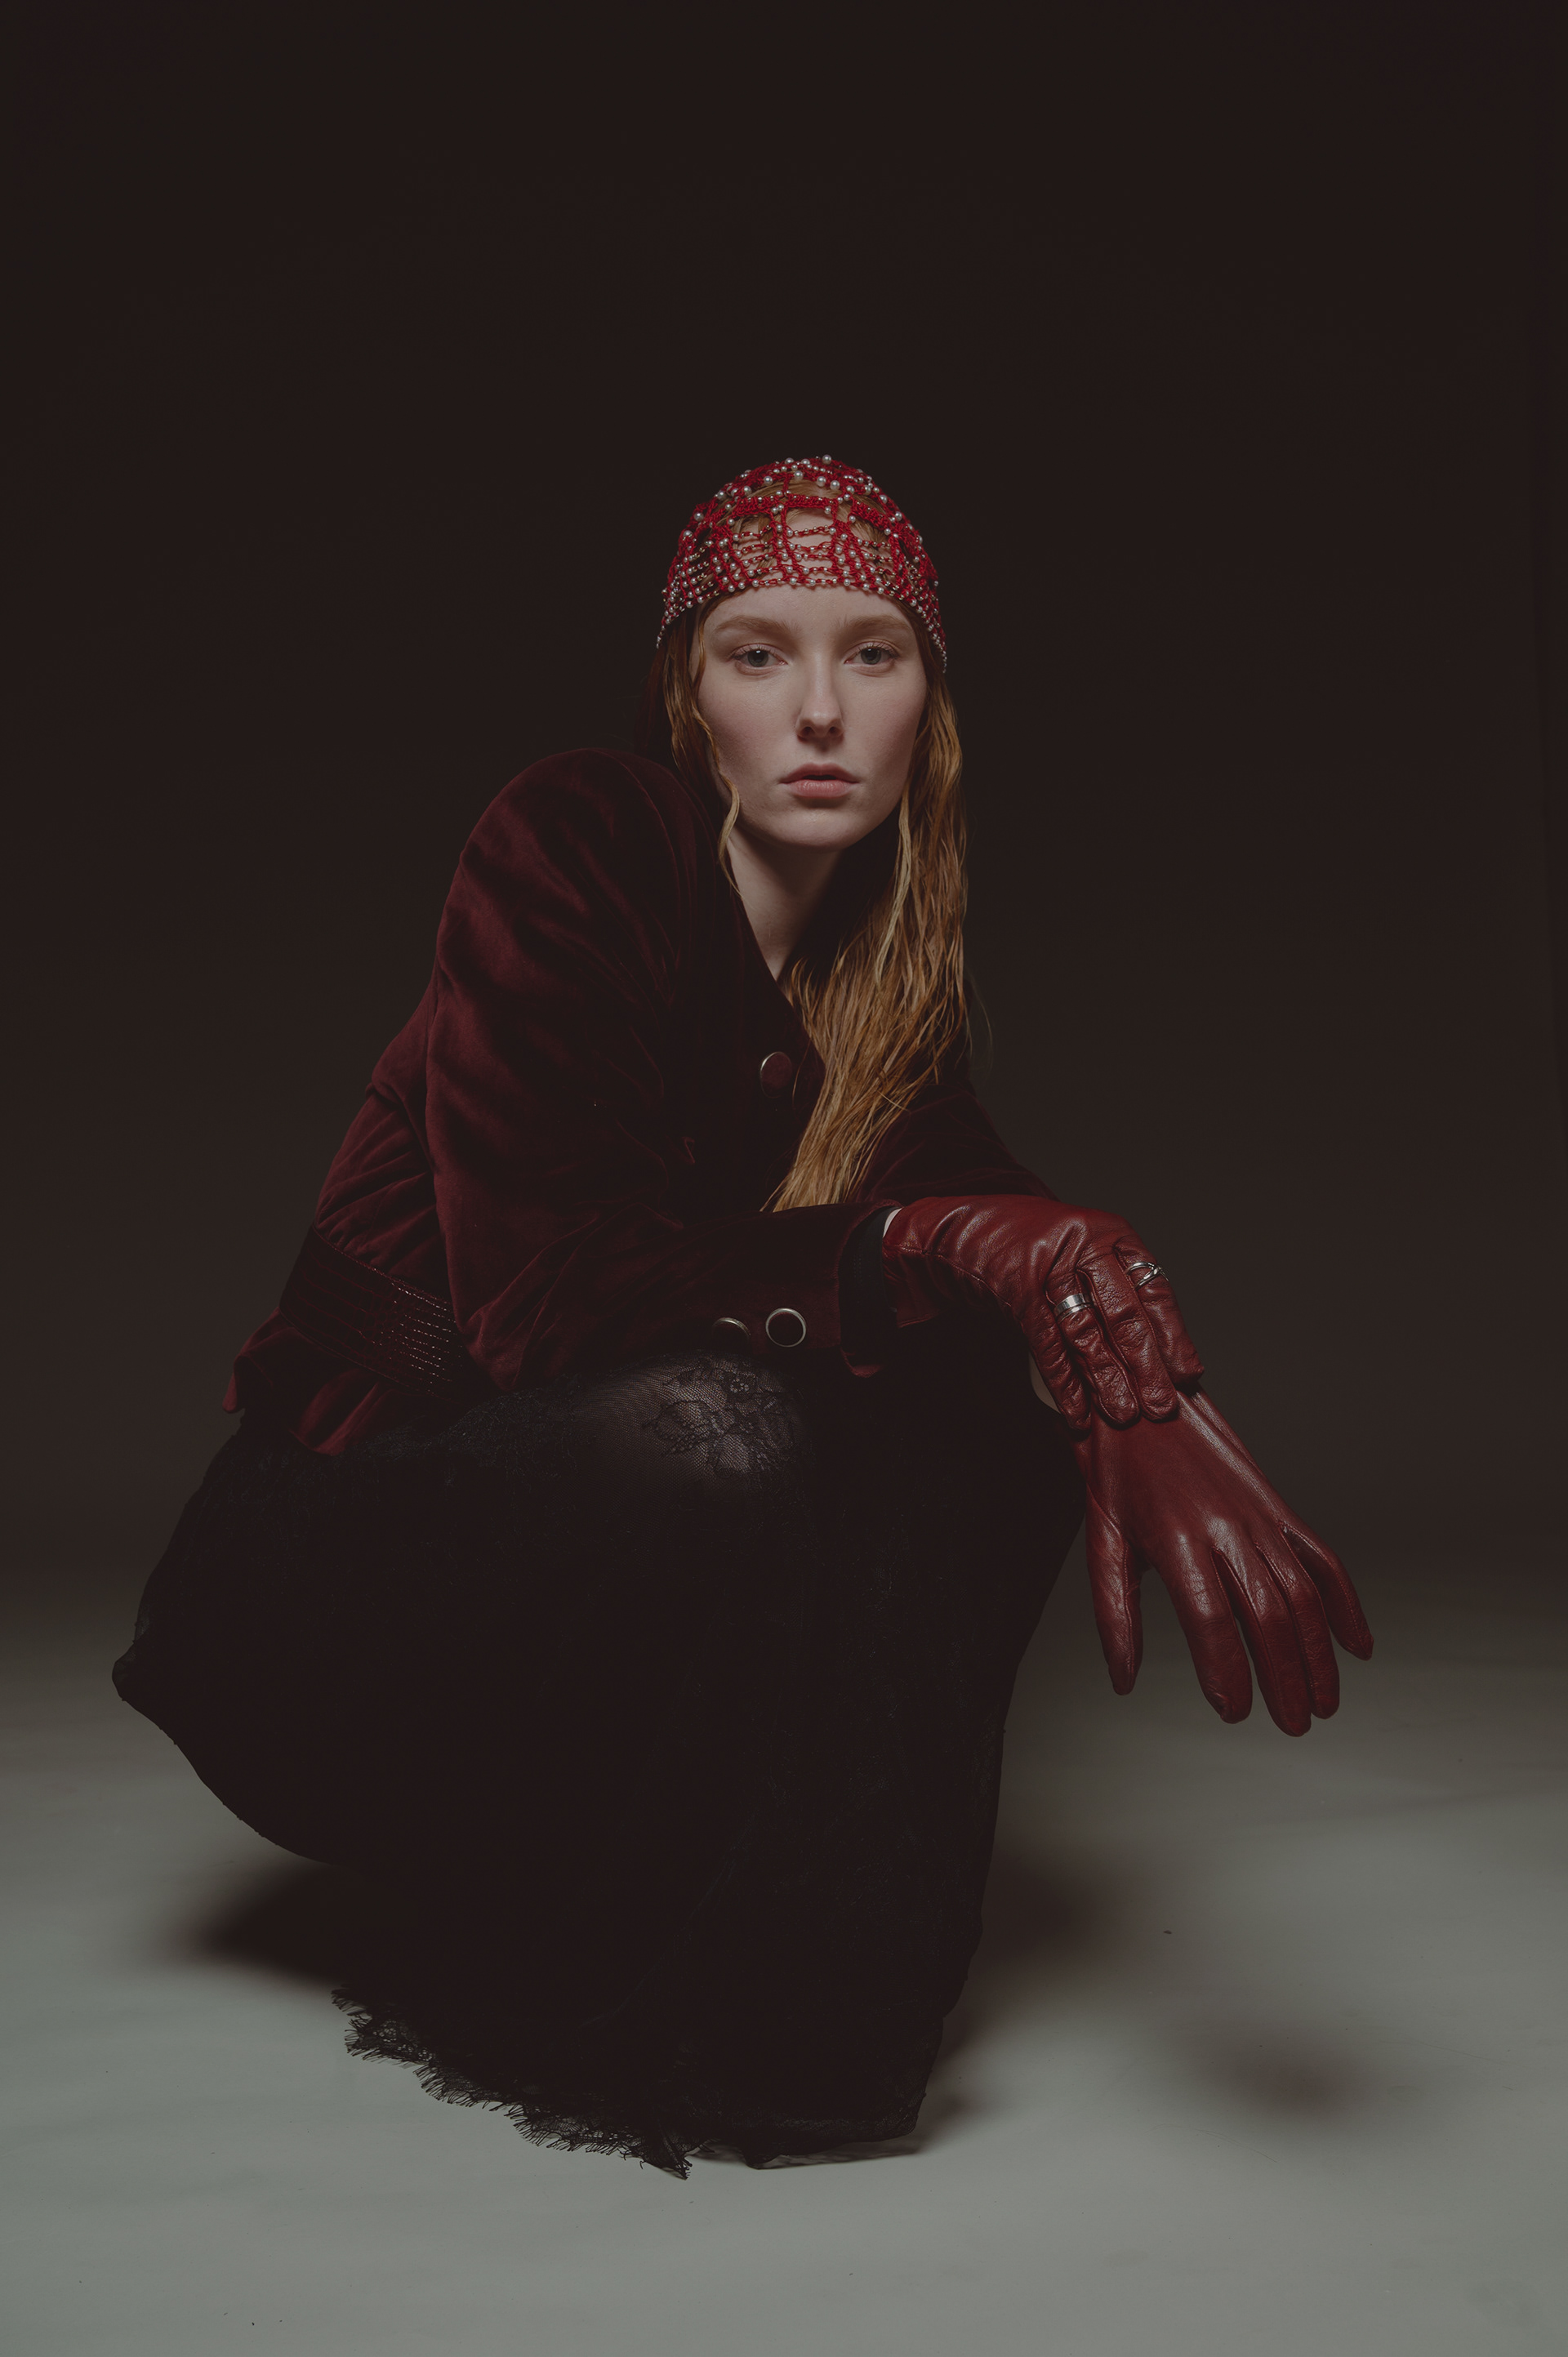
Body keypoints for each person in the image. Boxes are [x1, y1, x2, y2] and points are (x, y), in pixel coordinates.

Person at [114, 457, 1372, 2177]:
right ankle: (552, 1936)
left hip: (582, 1553)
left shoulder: (889, 1017)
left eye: (875, 655)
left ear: (930, 710)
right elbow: (551, 1305)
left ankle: (811, 2029)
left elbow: (1001, 1238)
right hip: (340, 1576)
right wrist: (941, 1240)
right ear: (685, 698)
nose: (821, 710)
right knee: (739, 1421)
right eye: (759, 655)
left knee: (981, 1411)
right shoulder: (576, 842)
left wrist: (1118, 1376)